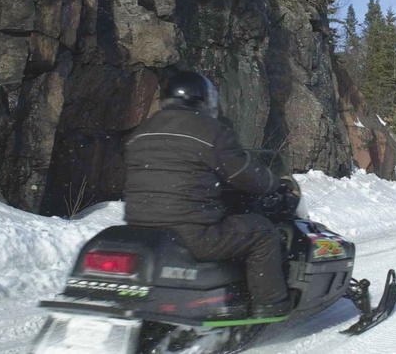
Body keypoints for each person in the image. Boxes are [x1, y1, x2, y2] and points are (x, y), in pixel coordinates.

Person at [122, 71, 292, 319]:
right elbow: (245, 173)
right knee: (263, 232)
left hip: (141, 229)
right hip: (190, 232)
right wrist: (275, 183)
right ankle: (269, 304)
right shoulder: (210, 130)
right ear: (202, 99)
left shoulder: (142, 131)